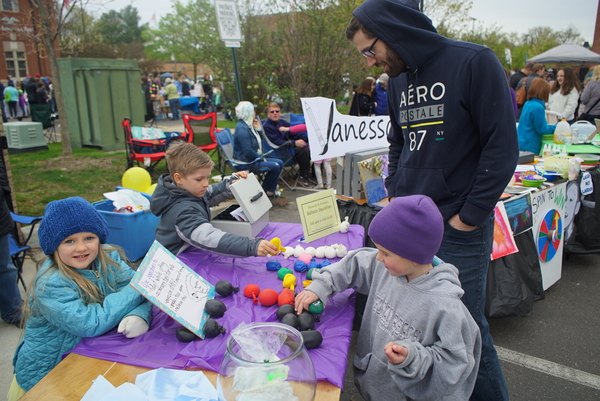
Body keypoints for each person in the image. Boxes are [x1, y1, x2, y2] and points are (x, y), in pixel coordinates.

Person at [344, 1, 517, 399]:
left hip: (457, 226)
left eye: (371, 50)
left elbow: (502, 147)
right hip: (406, 225)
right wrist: (392, 191)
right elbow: (398, 142)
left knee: (464, 329)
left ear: (393, 30)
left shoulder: (474, 62)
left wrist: (469, 218)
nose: (370, 62)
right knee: (412, 324)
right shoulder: (399, 80)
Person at [295, 195, 481, 401]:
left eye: (385, 253)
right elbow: (354, 263)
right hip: (375, 385)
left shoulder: (445, 306)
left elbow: (455, 363)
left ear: (414, 255)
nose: (378, 257)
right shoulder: (389, 267)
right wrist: (321, 285)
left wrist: (413, 358)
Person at [9, 197, 152, 400]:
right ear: (53, 246)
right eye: (69, 241)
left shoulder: (108, 258)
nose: (82, 248)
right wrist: (139, 287)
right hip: (48, 374)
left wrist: (140, 315)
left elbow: (142, 297)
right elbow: (88, 323)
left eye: (89, 238)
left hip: (86, 359)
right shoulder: (51, 282)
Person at [150, 142, 279, 257]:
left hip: (190, 247)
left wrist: (230, 184)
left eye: (207, 177)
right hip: (173, 259)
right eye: (200, 179)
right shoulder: (182, 210)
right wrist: (250, 246)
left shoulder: (188, 190)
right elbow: (209, 238)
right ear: (178, 179)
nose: (206, 183)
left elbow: (210, 194)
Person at [232, 101, 284, 197]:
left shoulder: (249, 125)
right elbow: (248, 151)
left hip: (252, 159)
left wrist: (259, 129)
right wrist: (260, 158)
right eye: (253, 110)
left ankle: (269, 192)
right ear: (248, 112)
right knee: (275, 166)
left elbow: (258, 142)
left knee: (280, 162)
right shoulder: (242, 128)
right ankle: (264, 192)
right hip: (245, 163)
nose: (254, 112)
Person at [262, 102, 315, 188]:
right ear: (268, 114)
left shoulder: (283, 122)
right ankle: (303, 177)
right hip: (278, 153)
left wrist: (310, 138)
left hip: (288, 149)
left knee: (317, 147)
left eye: (277, 111)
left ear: (280, 113)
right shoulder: (267, 127)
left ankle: (314, 176)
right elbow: (276, 142)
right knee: (303, 150)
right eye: (272, 112)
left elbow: (293, 135)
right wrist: (294, 142)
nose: (275, 113)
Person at [518, 78, 556, 155]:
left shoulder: (528, 104)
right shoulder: (538, 108)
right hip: (530, 145)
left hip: (522, 142)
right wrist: (556, 127)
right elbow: (542, 129)